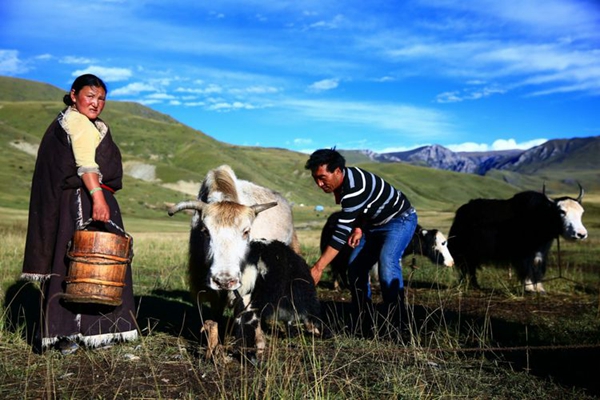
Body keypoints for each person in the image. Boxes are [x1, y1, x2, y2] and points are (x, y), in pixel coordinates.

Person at [21, 74, 138, 354]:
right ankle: (80, 332)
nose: (96, 103)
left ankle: (76, 332)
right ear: (74, 95)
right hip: (83, 199)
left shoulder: (72, 120)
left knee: (76, 261)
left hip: (76, 198)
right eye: (90, 96)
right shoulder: (77, 121)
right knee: (89, 261)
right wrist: (98, 198)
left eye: (101, 99)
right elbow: (86, 165)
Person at [305, 148, 418, 335]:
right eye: (315, 178)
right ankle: (363, 319)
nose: (319, 183)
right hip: (372, 225)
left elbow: (341, 233)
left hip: (400, 220)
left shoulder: (353, 189)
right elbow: (364, 207)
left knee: (387, 264)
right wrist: (358, 228)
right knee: (355, 268)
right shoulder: (344, 183)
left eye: (323, 178)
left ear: (338, 171)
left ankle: (398, 325)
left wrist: (318, 268)